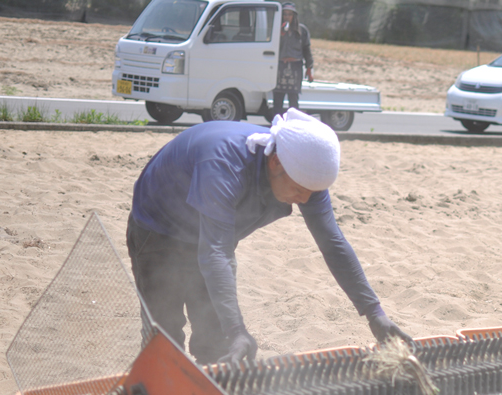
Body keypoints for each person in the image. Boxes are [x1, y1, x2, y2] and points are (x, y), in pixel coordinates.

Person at [126, 108, 411, 365]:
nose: (304, 200)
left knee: (216, 342)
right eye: (299, 190)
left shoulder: (304, 173)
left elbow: (333, 244)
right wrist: (238, 330)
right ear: (275, 162)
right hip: (158, 229)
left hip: (215, 235)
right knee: (163, 339)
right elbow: (215, 252)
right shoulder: (225, 165)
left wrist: (375, 314)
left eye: (312, 193)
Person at [273, 2, 313, 118]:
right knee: (278, 99)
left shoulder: (302, 30)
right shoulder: (276, 29)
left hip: (295, 67)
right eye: (284, 14)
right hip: (280, 67)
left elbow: (306, 50)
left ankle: (294, 125)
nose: (287, 17)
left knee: (293, 99)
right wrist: (279, 33)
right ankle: (277, 125)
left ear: (294, 16)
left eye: (289, 14)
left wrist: (309, 68)